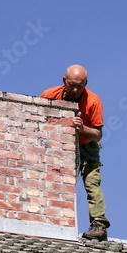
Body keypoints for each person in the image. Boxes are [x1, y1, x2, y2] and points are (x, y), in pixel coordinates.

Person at [41, 64, 110, 241]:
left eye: (80, 86)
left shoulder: (93, 102)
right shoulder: (48, 96)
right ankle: (49, 216)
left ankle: (99, 225)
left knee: (92, 182)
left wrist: (82, 128)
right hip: (59, 143)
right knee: (55, 178)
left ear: (86, 83)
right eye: (72, 84)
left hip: (87, 146)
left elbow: (98, 135)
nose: (75, 89)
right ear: (64, 81)